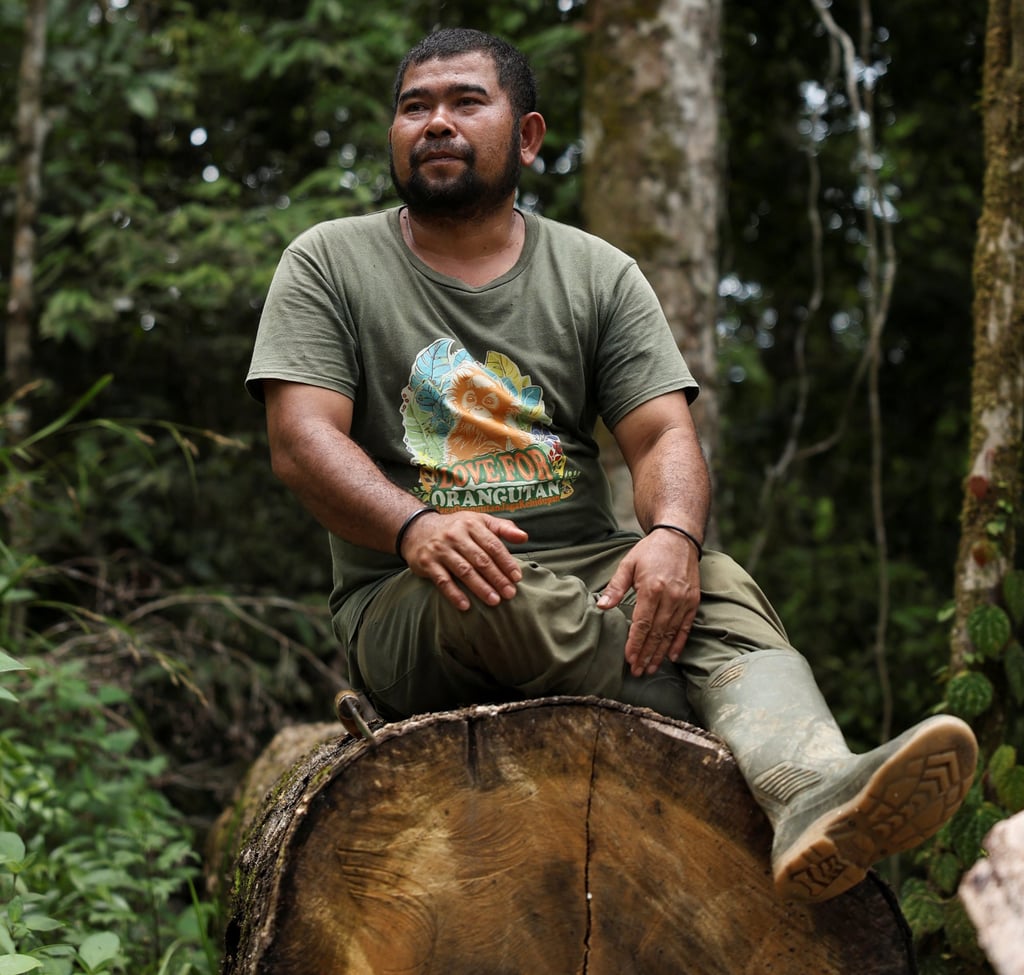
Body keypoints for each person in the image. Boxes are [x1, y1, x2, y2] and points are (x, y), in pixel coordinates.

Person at [246, 27, 977, 904]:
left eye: (466, 101)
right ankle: (739, 734)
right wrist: (414, 526)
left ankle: (810, 783)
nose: (436, 122)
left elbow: (664, 435)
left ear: (527, 137)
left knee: (717, 581)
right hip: (409, 593)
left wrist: (671, 536)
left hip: (586, 570)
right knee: (493, 592)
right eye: (415, 107)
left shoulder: (598, 273)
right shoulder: (328, 261)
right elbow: (301, 440)